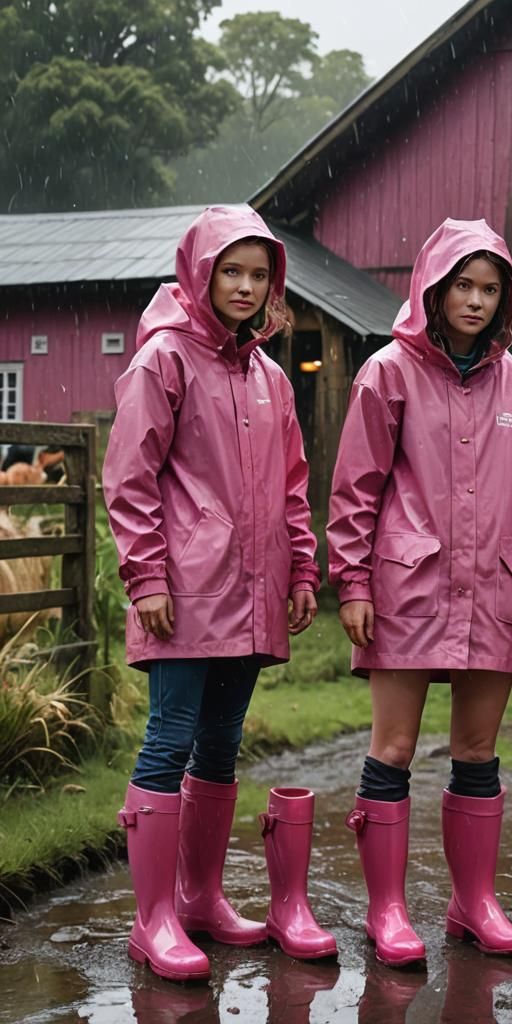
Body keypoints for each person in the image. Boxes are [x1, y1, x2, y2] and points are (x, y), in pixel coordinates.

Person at [103, 205, 334, 982]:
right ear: (199, 273)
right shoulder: (163, 360)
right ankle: (153, 918)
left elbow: (293, 488)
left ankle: (199, 899)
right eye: (230, 270)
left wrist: (303, 569)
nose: (245, 286)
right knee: (169, 739)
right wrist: (146, 578)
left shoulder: (270, 375)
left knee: (222, 743)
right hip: (183, 589)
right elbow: (131, 479)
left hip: (255, 593)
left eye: (259, 273)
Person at [329, 218, 512, 965]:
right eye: (463, 285)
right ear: (434, 286)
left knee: (478, 748)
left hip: (495, 584)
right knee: (392, 747)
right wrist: (353, 582)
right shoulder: (387, 372)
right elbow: (355, 490)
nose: (476, 301)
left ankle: (474, 902)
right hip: (407, 586)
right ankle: (387, 911)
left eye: (490, 289)